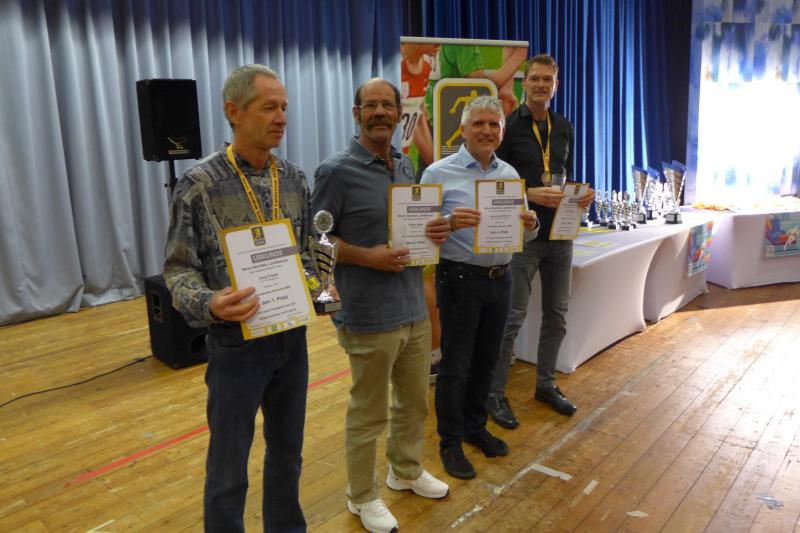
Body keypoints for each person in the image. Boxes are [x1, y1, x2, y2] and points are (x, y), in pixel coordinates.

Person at [163, 64, 314, 533]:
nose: (281, 117)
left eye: (284, 107)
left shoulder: (294, 178)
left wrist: (316, 285)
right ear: (234, 111)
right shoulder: (199, 184)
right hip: (235, 345)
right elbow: (178, 269)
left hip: (291, 337)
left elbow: (309, 252)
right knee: (229, 468)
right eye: (269, 107)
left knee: (288, 454)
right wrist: (209, 303)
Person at [311, 78, 451, 533]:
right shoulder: (335, 171)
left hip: (413, 309)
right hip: (368, 313)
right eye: (370, 105)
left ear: (398, 113)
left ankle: (405, 470)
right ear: (357, 114)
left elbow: (411, 227)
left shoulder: (405, 165)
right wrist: (366, 256)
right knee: (369, 412)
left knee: (414, 403)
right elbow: (315, 239)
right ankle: (361, 496)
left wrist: (434, 231)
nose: (379, 113)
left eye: (387, 105)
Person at [420, 96, 539, 480]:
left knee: (487, 361)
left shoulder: (509, 172)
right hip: (459, 280)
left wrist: (531, 224)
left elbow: (524, 233)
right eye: (479, 124)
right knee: (455, 366)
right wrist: (448, 223)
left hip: (501, 278)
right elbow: (419, 234)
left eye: (494, 124)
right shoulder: (437, 173)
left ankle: (475, 428)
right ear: (463, 130)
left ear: (502, 131)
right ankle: (450, 442)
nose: (487, 131)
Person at [486, 55, 595, 427]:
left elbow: (566, 174)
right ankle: (494, 393)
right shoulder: (508, 126)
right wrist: (528, 193)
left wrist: (583, 194)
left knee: (557, 317)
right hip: (524, 236)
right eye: (534, 78)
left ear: (555, 86)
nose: (541, 85)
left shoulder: (564, 126)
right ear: (524, 83)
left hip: (561, 235)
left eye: (547, 79)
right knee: (512, 319)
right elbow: (494, 182)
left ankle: (546, 385)